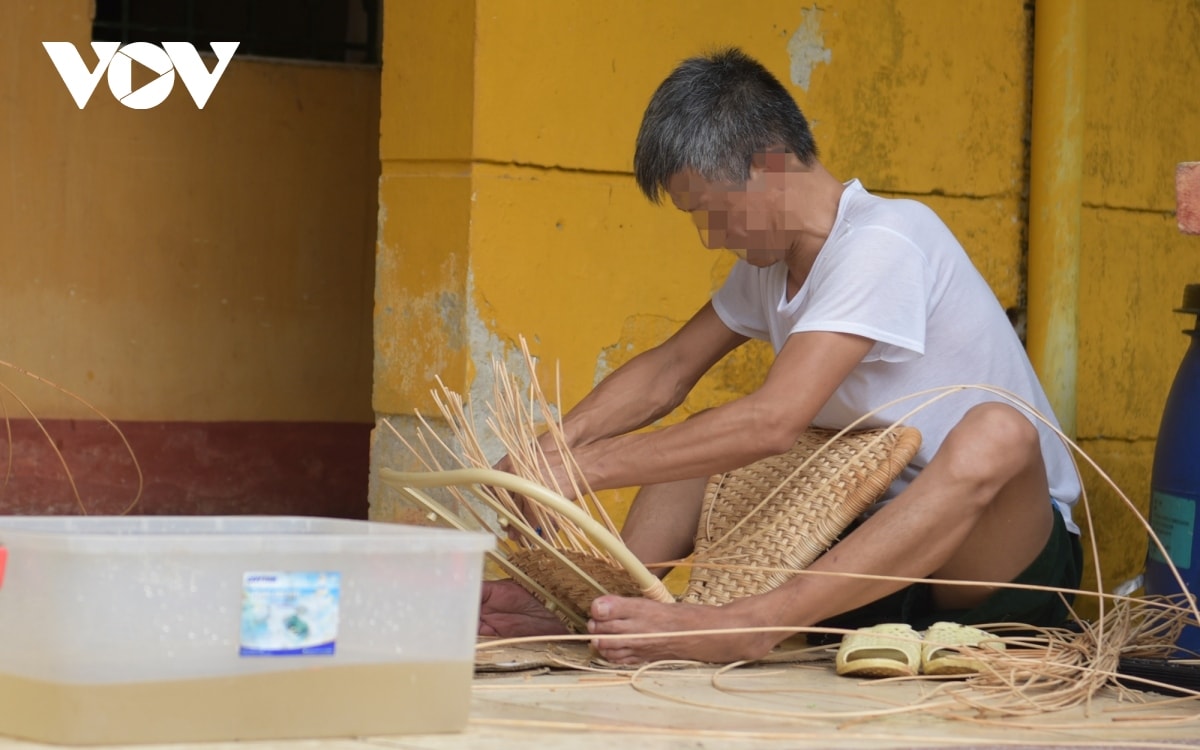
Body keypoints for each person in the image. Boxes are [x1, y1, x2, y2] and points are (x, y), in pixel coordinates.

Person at [479, 47, 1082, 665]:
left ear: (771, 167)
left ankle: (749, 625)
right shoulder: (768, 267)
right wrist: (551, 451)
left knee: (999, 434)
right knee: (697, 446)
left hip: (995, 565)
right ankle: (596, 613)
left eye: (713, 211)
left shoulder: (886, 239)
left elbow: (774, 422)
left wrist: (592, 469)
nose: (711, 237)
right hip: (861, 563)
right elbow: (668, 371)